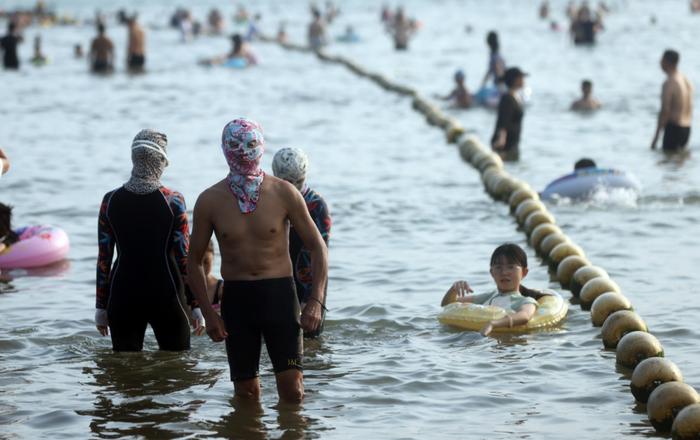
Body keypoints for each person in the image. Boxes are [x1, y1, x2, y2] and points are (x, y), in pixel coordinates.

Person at [187, 118, 328, 403]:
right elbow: (193, 262)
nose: (243, 151)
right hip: (238, 301)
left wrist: (316, 301)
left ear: (261, 147)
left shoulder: (283, 192)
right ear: (225, 149)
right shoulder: (210, 200)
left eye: (251, 144)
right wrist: (207, 312)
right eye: (235, 145)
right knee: (247, 394)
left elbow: (318, 247)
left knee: (293, 392)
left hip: (279, 296)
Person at [95, 129, 202, 351]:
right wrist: (195, 304)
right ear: (161, 161)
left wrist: (100, 307)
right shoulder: (173, 201)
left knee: (126, 374)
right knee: (177, 370)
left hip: (123, 295)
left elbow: (104, 259)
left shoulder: (110, 200)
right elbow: (184, 257)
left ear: (134, 158)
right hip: (167, 294)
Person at [272, 148, 331, 338]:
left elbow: (320, 254)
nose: (293, 187)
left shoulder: (316, 205)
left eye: (298, 181)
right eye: (287, 182)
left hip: (309, 284)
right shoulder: (269, 201)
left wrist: (313, 298)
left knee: (310, 343)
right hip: (277, 283)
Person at [441, 243, 544, 336]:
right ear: (492, 272)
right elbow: (447, 305)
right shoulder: (490, 296)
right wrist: (453, 289)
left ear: (524, 272)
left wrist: (493, 324)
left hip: (506, 342)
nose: (504, 272)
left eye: (511, 267)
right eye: (498, 267)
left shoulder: (525, 301)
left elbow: (525, 316)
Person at [651, 50, 694, 152]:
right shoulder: (685, 80)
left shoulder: (669, 82)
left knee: (667, 162)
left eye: (661, 60)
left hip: (674, 128)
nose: (660, 63)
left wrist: (655, 138)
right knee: (678, 162)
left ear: (667, 62)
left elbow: (665, 110)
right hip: (687, 128)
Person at [491, 67, 527, 161]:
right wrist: (501, 140)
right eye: (521, 78)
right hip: (505, 146)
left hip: (513, 144)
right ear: (515, 80)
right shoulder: (507, 99)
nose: (524, 80)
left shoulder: (515, 97)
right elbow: (503, 121)